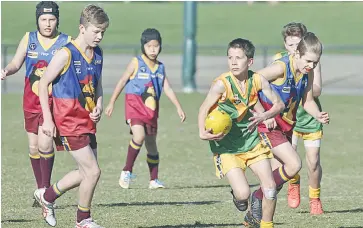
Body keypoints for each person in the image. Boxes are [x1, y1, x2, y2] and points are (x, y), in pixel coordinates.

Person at [198, 38, 285, 228]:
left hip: (252, 143)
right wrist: (201, 132)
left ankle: (266, 225)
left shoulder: (258, 80)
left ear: (250, 61)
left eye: (239, 58)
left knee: (270, 189)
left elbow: (279, 104)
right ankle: (239, 196)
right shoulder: (222, 84)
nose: (234, 62)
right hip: (227, 147)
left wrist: (266, 115)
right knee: (243, 194)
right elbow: (204, 108)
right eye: (230, 58)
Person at [35, 4, 109, 227]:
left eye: (103, 32)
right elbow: (43, 85)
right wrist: (48, 119)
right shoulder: (65, 54)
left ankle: (47, 197)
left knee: (84, 172)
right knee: (93, 172)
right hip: (68, 121)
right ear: (82, 28)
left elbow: (98, 85)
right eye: (96, 31)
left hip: (87, 121)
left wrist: (99, 105)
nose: (99, 36)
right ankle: (83, 220)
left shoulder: (98, 55)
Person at [245, 32, 329, 224]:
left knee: (275, 184)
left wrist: (318, 115)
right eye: (308, 61)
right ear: (297, 54)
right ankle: (256, 196)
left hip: (286, 127)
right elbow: (251, 82)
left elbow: (307, 101)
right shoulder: (281, 67)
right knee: (294, 164)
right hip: (270, 125)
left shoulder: (307, 73)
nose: (312, 66)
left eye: (315, 63)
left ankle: (255, 218)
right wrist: (263, 114)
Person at [1, 1, 71, 207]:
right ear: (37, 20)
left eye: (51, 19)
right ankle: (41, 190)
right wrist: (6, 70)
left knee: (45, 144)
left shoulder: (66, 41)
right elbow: (16, 62)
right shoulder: (29, 38)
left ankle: (45, 191)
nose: (48, 24)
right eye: (43, 19)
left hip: (52, 103)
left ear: (57, 19)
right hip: (30, 102)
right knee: (33, 146)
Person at [105, 28, 186, 189]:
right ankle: (126, 171)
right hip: (134, 105)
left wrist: (178, 107)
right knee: (139, 135)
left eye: (156, 46)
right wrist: (111, 102)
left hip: (151, 110)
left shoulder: (161, 68)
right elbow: (122, 81)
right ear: (143, 46)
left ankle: (153, 180)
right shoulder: (136, 62)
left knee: (151, 144)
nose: (153, 49)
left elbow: (167, 88)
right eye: (149, 46)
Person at [272, 22, 325, 214]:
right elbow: (265, 85)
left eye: (297, 44)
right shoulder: (279, 62)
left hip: (309, 117)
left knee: (313, 161)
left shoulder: (310, 64)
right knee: (290, 158)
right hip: (289, 118)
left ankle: (314, 198)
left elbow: (315, 91)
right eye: (290, 44)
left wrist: (303, 86)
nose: (294, 48)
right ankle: (294, 183)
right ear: (285, 44)